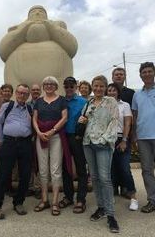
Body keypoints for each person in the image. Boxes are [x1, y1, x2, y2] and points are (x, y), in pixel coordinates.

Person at [0, 5, 78, 93]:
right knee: (17, 101)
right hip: (17, 76)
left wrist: (51, 27)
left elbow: (72, 48)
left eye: (41, 11)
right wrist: (23, 29)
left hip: (58, 76)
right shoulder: (18, 28)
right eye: (33, 12)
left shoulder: (56, 26)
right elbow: (3, 52)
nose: (37, 13)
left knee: (57, 101)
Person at [78, 75, 119, 233]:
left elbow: (114, 122)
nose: (98, 89)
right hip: (87, 143)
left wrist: (103, 139)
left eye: (101, 86)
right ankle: (101, 207)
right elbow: (84, 120)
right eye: (96, 86)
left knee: (105, 178)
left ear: (105, 87)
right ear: (92, 87)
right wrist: (82, 120)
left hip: (102, 144)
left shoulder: (111, 102)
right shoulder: (88, 102)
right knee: (94, 177)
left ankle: (111, 215)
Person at [0, 84, 33, 219]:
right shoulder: (6, 106)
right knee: (3, 175)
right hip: (9, 143)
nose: (22, 95)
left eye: (25, 94)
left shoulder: (30, 108)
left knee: (25, 175)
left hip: (25, 144)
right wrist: (2, 141)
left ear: (28, 96)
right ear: (16, 93)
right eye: (20, 93)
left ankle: (18, 202)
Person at [33, 76, 71, 216]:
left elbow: (64, 118)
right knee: (43, 170)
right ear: (43, 86)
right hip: (41, 136)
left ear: (56, 86)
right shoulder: (38, 101)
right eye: (46, 84)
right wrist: (38, 132)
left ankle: (55, 201)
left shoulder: (61, 100)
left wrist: (52, 130)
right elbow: (34, 119)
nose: (49, 86)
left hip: (56, 136)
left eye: (52, 84)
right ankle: (44, 199)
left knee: (55, 169)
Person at [106, 83, 138, 211]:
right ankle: (111, 195)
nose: (111, 92)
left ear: (118, 92)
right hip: (107, 139)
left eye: (114, 90)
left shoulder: (125, 105)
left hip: (121, 138)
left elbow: (127, 124)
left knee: (124, 168)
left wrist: (124, 140)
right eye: (109, 90)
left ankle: (133, 197)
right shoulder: (104, 105)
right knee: (111, 168)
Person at [59, 77, 88, 213]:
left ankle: (81, 199)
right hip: (63, 137)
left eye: (72, 86)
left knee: (81, 168)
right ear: (64, 87)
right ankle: (68, 196)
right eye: (67, 86)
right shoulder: (60, 101)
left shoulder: (83, 101)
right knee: (66, 168)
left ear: (76, 87)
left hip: (78, 138)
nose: (69, 89)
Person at [132, 62, 155, 213]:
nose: (146, 74)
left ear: (154, 73)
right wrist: (134, 135)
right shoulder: (137, 94)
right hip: (143, 137)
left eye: (149, 71)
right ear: (140, 75)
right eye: (144, 72)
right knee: (146, 170)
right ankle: (152, 200)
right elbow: (135, 116)